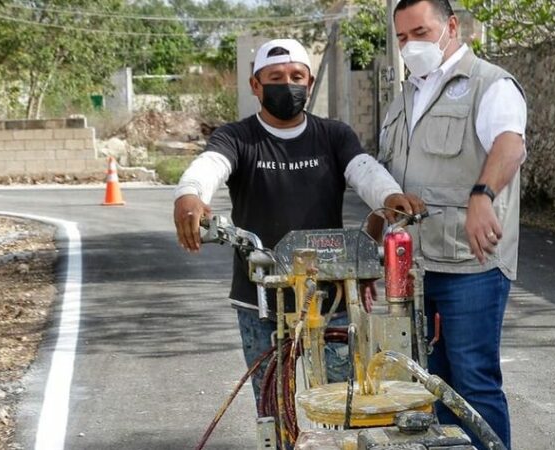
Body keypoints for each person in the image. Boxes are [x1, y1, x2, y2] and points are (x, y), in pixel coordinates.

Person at [173, 38, 420, 412]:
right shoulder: (237, 137)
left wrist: (389, 196)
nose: (287, 84)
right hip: (260, 301)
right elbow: (209, 165)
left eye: (296, 76)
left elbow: (364, 170)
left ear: (308, 81)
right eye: (275, 77)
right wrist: (190, 194)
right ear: (256, 86)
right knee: (273, 408)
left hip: (334, 298)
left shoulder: (334, 135)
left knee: (346, 404)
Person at [369, 0, 527, 448]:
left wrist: (482, 197)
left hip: (468, 266)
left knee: (473, 381)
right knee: (429, 386)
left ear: (451, 26)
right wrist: (372, 239)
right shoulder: (404, 98)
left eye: (420, 32)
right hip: (413, 268)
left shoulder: (489, 85)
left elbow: (509, 146)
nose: (410, 45)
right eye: (402, 38)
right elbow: (387, 175)